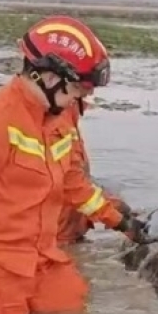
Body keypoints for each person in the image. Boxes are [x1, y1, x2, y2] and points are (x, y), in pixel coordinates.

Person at [0, 15, 152, 314]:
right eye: (77, 87)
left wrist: (121, 221)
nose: (81, 97)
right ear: (48, 77)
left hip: (45, 260)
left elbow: (74, 185)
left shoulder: (58, 119)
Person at [55, 99, 132, 246]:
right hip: (56, 239)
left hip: (68, 232)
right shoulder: (58, 123)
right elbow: (72, 186)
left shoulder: (68, 116)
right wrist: (116, 215)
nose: (90, 93)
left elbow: (80, 179)